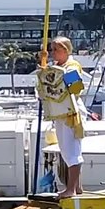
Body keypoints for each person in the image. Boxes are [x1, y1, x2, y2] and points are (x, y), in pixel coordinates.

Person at [37, 36, 88, 198]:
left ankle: (72, 189)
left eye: (55, 50)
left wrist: (63, 79)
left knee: (71, 150)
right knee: (65, 150)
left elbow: (77, 88)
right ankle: (76, 187)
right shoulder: (56, 66)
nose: (52, 53)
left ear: (65, 50)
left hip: (71, 113)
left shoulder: (72, 66)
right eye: (51, 50)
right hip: (60, 112)